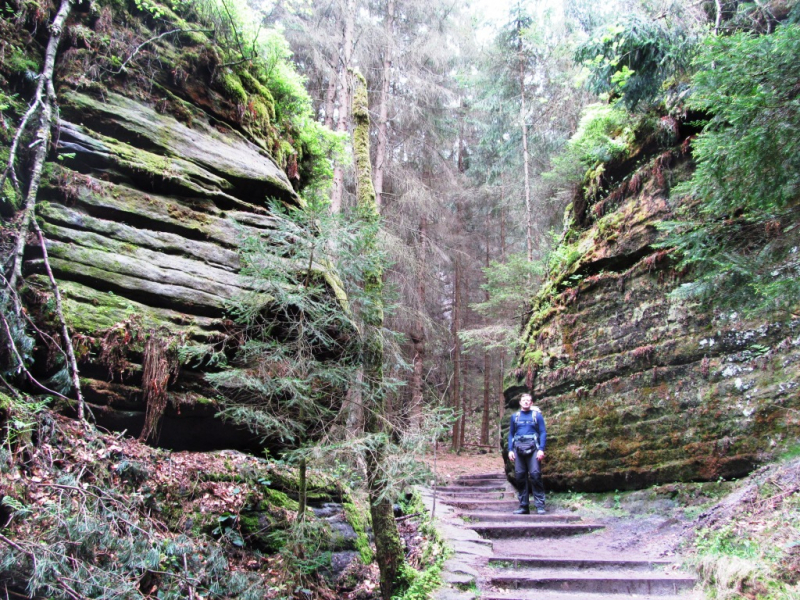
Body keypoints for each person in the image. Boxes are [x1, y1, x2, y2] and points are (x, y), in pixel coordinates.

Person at [507, 393, 547, 515]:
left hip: (533, 449)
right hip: (518, 450)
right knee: (520, 477)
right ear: (520, 402)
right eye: (523, 400)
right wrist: (510, 450)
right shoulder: (515, 417)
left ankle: (540, 506)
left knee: (535, 475)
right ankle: (524, 506)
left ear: (531, 403)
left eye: (528, 400)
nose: (525, 402)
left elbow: (543, 432)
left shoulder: (537, 416)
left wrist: (541, 449)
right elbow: (511, 434)